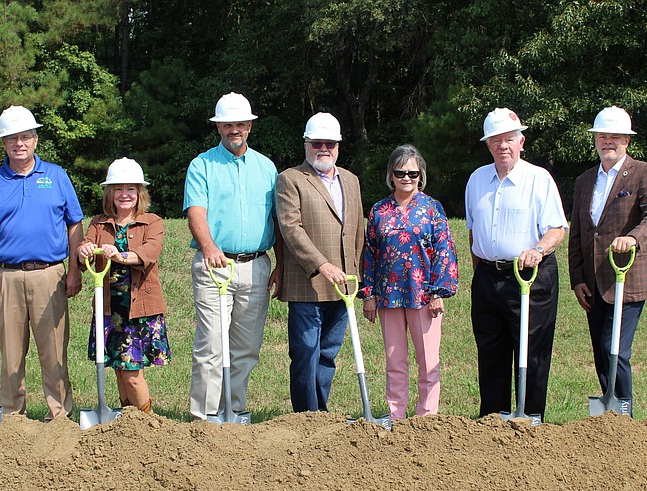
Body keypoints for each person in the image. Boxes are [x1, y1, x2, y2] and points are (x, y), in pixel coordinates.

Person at [0, 105, 84, 420]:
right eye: (12, 139)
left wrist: (74, 270)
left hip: (50, 275)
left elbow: (75, 224)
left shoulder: (56, 175)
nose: (19, 143)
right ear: (4, 144)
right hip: (6, 276)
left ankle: (59, 416)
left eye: (25, 137)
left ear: (35, 139)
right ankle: (12, 415)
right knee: (10, 353)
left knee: (54, 351)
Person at [183, 92, 282, 421]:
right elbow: (196, 212)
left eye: (240, 123)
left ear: (250, 126)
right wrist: (209, 247)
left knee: (246, 347)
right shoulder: (203, 165)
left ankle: (234, 410)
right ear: (218, 128)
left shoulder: (266, 167)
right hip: (215, 265)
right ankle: (205, 417)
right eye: (227, 124)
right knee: (212, 345)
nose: (234, 129)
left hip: (256, 266)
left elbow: (277, 221)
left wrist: (279, 264)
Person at [465, 107, 567, 421]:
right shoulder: (477, 180)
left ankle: (531, 419)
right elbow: (472, 232)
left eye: (509, 139)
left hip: (530, 276)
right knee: (491, 352)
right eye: (496, 140)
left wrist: (537, 249)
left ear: (521, 141)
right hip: (487, 276)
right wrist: (481, 271)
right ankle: (493, 419)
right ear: (488, 145)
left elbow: (557, 228)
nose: (503, 146)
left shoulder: (539, 179)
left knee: (531, 353)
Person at [569, 106, 647, 406]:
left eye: (615, 137)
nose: (607, 142)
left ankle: (624, 414)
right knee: (601, 350)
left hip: (627, 278)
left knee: (615, 348)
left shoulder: (644, 173)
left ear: (627, 140)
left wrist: (633, 238)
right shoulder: (585, 180)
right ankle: (609, 413)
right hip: (593, 282)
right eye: (602, 136)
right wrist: (577, 279)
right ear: (595, 140)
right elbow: (578, 233)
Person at [360, 144, 459, 420]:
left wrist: (439, 291)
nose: (406, 178)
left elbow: (444, 250)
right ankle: (396, 416)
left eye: (412, 173)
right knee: (394, 362)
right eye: (400, 172)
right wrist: (369, 294)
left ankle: (427, 418)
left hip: (424, 296)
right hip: (389, 296)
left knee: (428, 361)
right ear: (390, 175)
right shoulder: (379, 210)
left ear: (421, 175)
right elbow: (370, 252)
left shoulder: (432, 208)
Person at [276, 112, 365, 412]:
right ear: (306, 145)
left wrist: (358, 277)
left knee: (327, 353)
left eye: (329, 143)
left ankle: (320, 413)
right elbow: (290, 228)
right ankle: (306, 417)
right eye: (316, 144)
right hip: (308, 284)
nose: (323, 149)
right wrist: (321, 264)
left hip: (343, 287)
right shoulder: (291, 179)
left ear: (338, 146)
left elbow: (357, 231)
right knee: (305, 353)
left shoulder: (351, 181)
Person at [77, 158, 171, 413]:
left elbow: (149, 252)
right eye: (118, 189)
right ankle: (127, 422)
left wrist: (119, 255)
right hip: (110, 311)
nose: (125, 195)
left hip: (138, 311)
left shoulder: (152, 222)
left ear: (140, 193)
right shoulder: (99, 223)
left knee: (131, 373)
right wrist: (84, 250)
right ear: (110, 193)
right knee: (120, 370)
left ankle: (148, 424)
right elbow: (82, 253)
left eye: (131, 189)